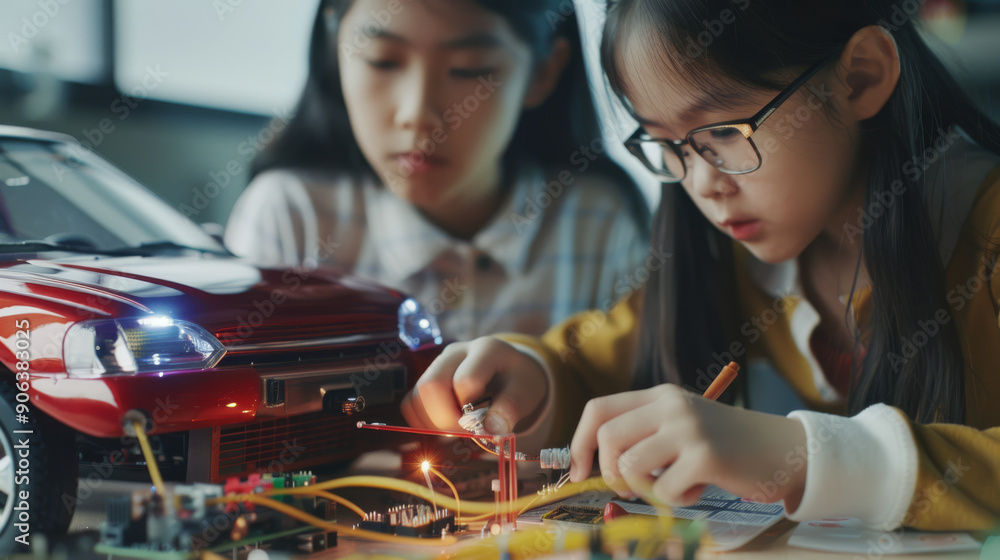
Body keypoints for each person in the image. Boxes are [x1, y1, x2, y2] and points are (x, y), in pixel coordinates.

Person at [401, 0, 1000, 532]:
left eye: (725, 132)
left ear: (862, 76)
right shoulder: (744, 258)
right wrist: (531, 380)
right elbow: (593, 362)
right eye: (669, 145)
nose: (702, 183)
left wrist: (800, 456)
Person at [224, 0, 649, 340]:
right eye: (382, 60)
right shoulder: (291, 217)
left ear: (542, 72)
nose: (418, 114)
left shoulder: (598, 223)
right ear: (336, 46)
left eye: (469, 69)